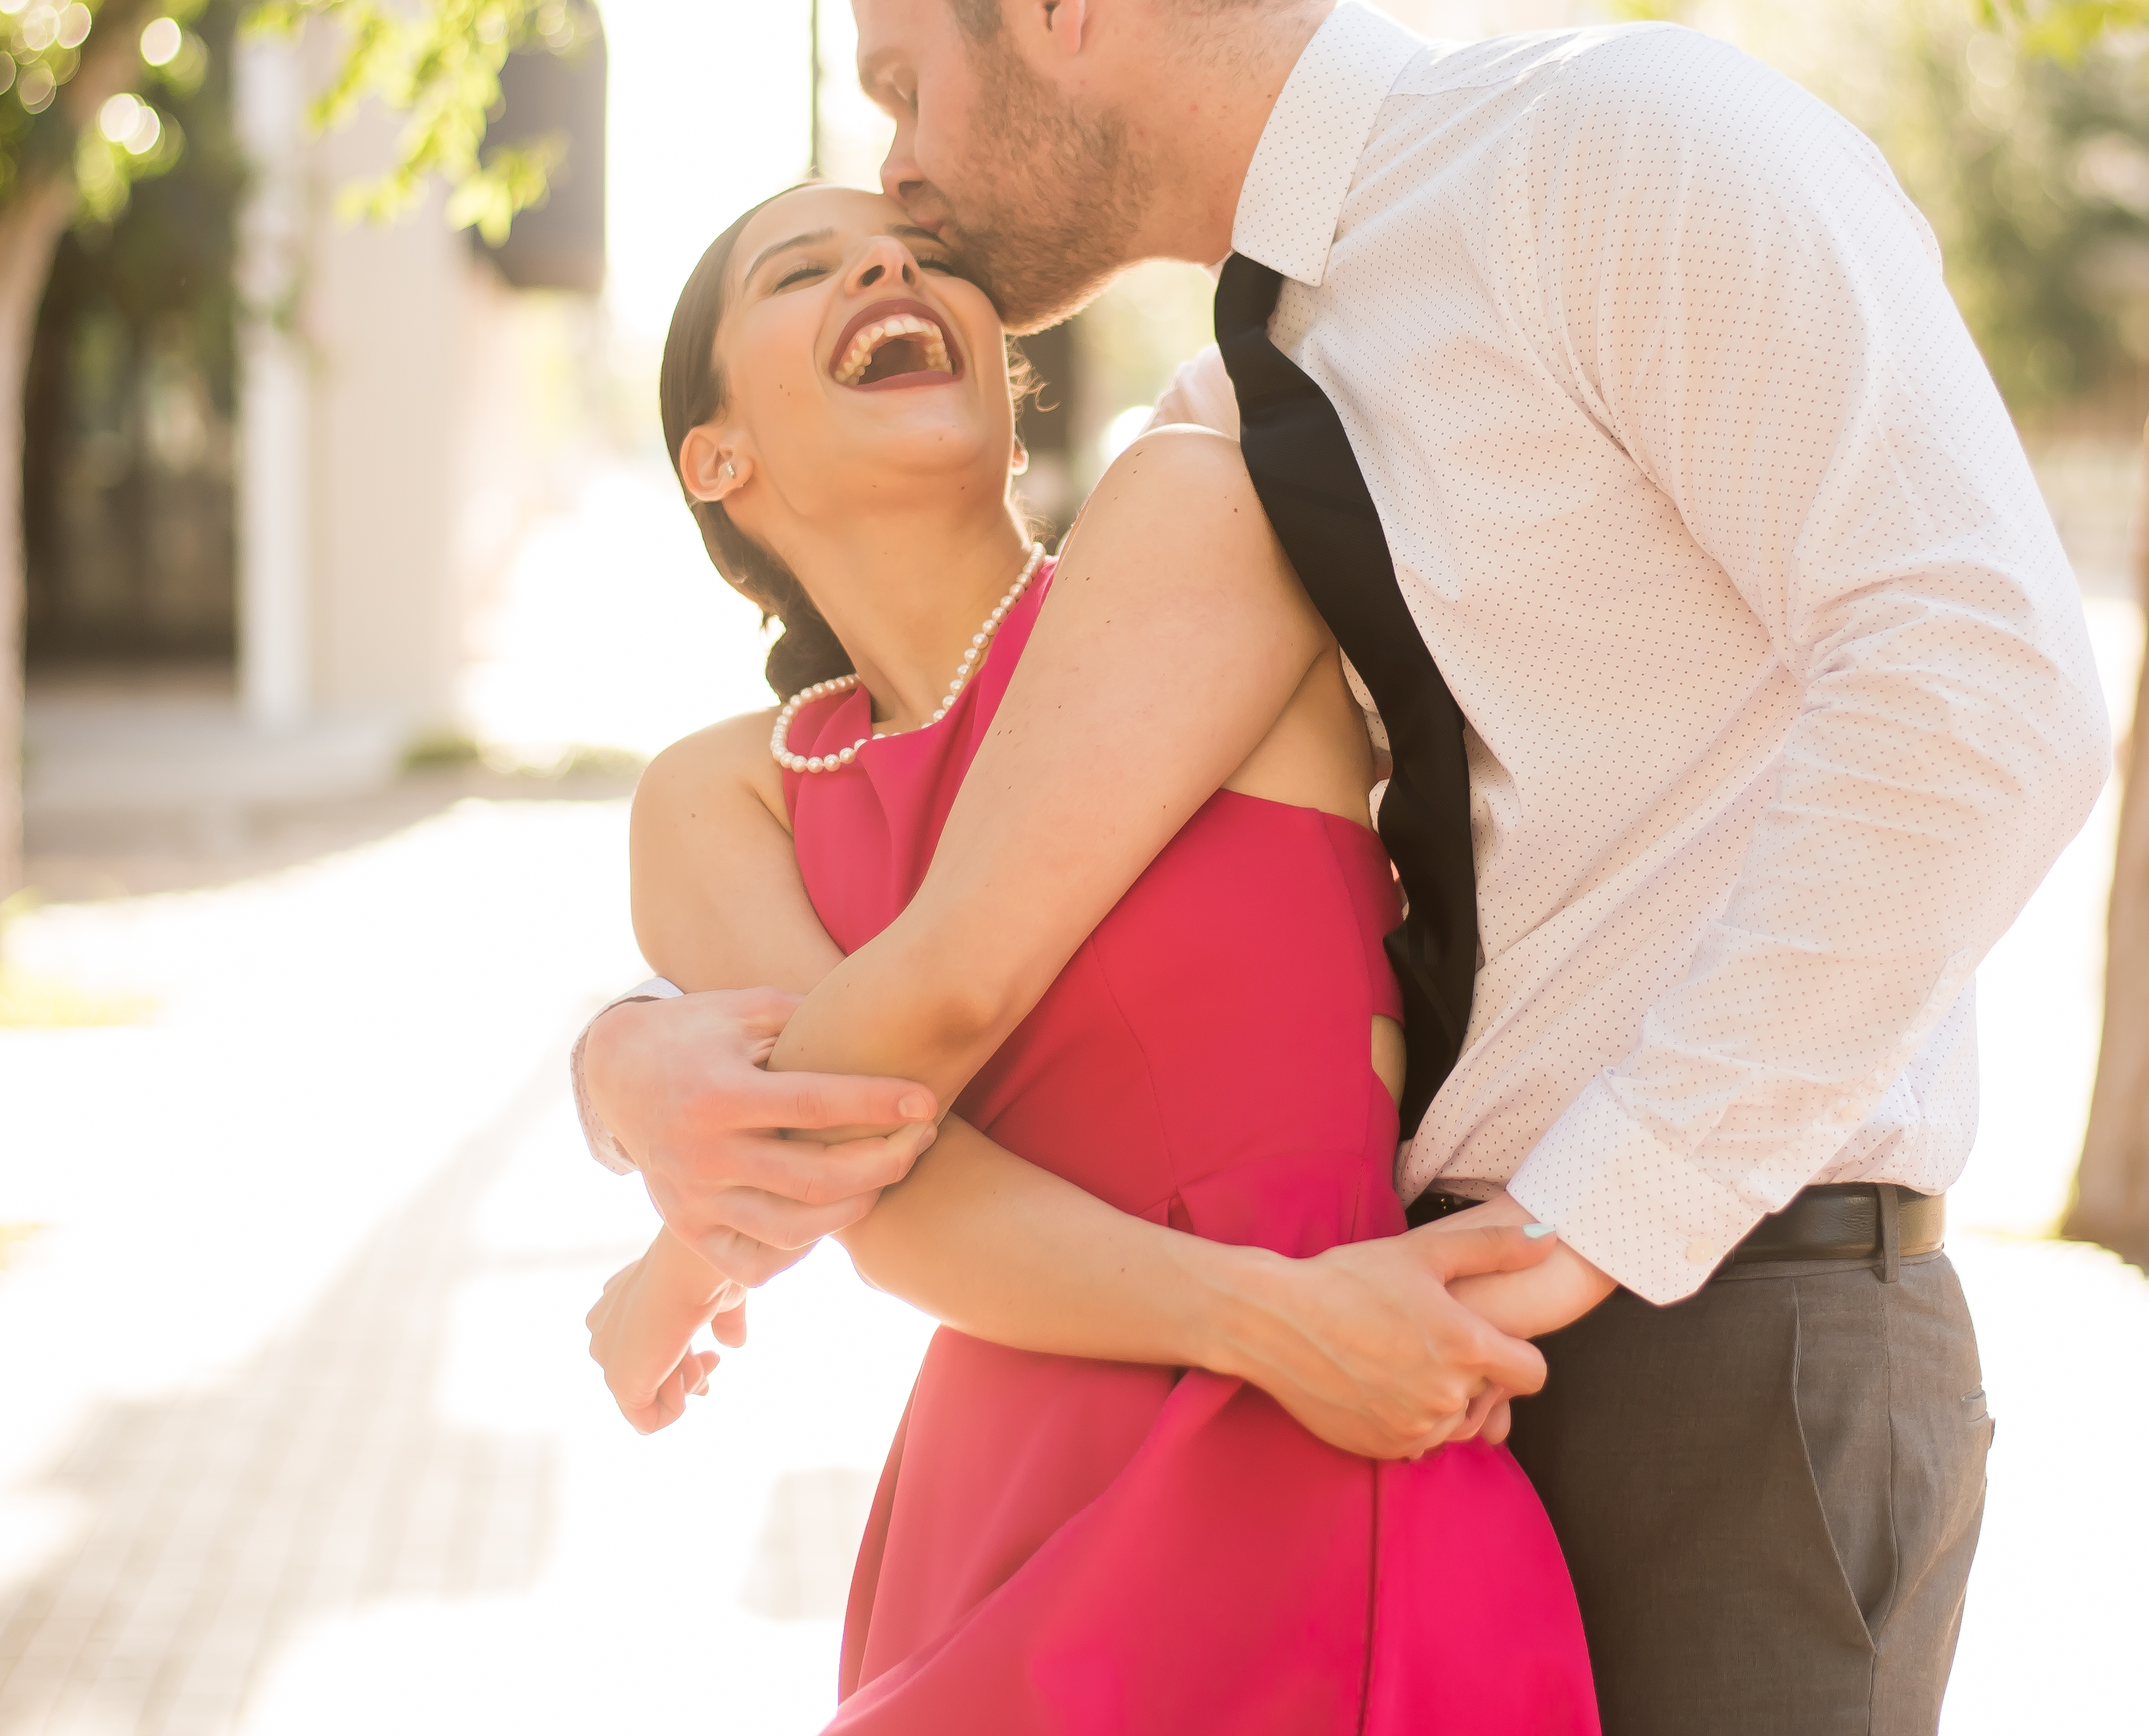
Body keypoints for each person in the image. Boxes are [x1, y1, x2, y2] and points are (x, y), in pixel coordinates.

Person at [580, 0, 2112, 1734]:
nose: (896, 173)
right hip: (1427, 1353)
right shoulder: (1259, 393)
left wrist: (1588, 1219)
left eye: (901, 79)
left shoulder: (1614, 145)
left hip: (1721, 1316)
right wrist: (625, 1065)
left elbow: (1977, 674)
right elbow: (988, 888)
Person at [584, 181, 1600, 1729]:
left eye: (930, 256)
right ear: (716, 459)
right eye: (809, 268)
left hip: (1341, 1423)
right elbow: (885, 1188)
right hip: (1047, 1464)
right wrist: (1261, 1318)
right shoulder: (719, 795)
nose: (885, 260)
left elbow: (907, 1032)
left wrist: (690, 1237)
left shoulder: (1202, 540)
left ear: (1010, 381)